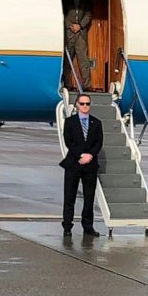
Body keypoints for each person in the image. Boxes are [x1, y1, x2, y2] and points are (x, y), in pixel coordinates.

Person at [59, 95, 103, 237]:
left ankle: (88, 226)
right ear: (77, 104)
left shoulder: (96, 122)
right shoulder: (70, 122)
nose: (85, 106)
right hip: (74, 163)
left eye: (87, 103)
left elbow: (98, 142)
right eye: (82, 103)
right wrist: (80, 156)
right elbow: (69, 141)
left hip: (90, 165)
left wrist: (89, 155)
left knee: (89, 199)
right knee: (69, 197)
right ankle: (67, 226)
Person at [64, 0, 93, 90]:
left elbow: (89, 15)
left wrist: (80, 25)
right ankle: (67, 85)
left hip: (81, 32)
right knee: (68, 60)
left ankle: (87, 85)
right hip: (69, 31)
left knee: (83, 60)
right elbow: (62, 13)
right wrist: (70, 25)